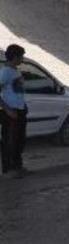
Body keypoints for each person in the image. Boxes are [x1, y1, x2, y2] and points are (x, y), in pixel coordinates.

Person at [1, 44, 29, 179]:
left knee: (19, 140)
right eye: (21, 57)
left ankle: (18, 166)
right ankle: (9, 170)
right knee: (10, 142)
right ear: (15, 57)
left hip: (20, 110)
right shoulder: (5, 73)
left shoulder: (14, 70)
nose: (22, 60)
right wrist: (8, 110)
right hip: (10, 113)